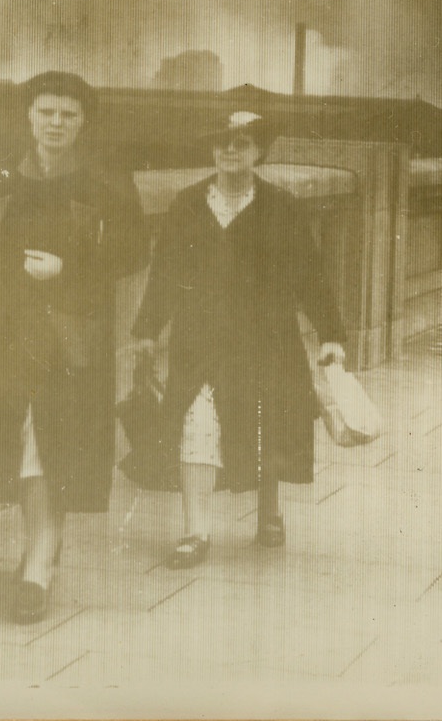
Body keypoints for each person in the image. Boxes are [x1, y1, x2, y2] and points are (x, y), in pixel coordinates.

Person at [0, 71, 148, 623]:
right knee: (19, 438)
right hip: (6, 331)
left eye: (68, 114)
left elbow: (133, 250)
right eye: (46, 113)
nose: (56, 123)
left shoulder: (105, 180)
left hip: (73, 335)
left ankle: (38, 563)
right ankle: (41, 544)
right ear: (28, 117)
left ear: (84, 122)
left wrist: (70, 267)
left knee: (50, 439)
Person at [130, 110, 347, 569]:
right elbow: (164, 273)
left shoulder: (282, 206)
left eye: (242, 141)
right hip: (199, 339)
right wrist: (147, 330)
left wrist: (331, 334)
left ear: (259, 151)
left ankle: (269, 511)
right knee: (196, 423)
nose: (231, 149)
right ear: (213, 149)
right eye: (223, 141)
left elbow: (310, 275)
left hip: (265, 338)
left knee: (263, 423)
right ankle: (195, 531)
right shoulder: (187, 204)